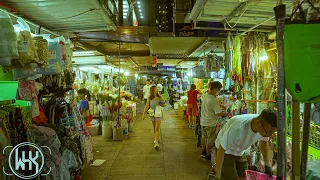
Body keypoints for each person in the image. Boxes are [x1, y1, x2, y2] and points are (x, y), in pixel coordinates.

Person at [214, 108, 277, 180]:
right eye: (268, 132)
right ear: (258, 123)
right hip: (225, 150)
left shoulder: (264, 126)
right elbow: (221, 150)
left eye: (272, 133)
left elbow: (264, 143)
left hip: (240, 150)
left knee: (244, 175)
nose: (269, 135)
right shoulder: (237, 127)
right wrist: (218, 176)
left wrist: (268, 165)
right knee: (230, 177)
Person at [200, 81, 226, 160]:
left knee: (204, 137)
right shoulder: (213, 99)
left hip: (203, 121)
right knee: (210, 140)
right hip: (211, 122)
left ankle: (203, 152)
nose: (219, 92)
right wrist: (226, 113)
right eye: (219, 90)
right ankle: (208, 155)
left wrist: (220, 105)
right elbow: (218, 113)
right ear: (215, 89)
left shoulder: (205, 96)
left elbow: (209, 106)